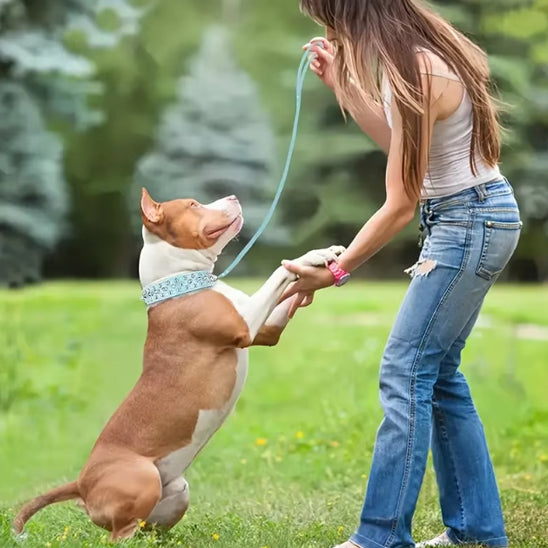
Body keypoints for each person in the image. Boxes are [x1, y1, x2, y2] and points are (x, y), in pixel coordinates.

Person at [280, 1, 522, 547]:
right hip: (474, 217)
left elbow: (399, 203)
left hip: (467, 221)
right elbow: (405, 146)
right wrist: (345, 86)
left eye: (329, 21)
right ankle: (477, 533)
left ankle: (381, 537)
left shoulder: (416, 68)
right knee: (437, 376)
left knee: (405, 370)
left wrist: (336, 272)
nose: (329, 33)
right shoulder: (416, 59)